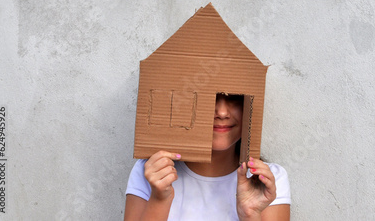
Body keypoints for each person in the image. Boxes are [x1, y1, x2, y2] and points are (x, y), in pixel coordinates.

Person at [124, 93, 291, 220]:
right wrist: (159, 199)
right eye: (208, 97)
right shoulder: (152, 171)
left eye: (234, 97)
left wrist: (251, 215)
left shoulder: (267, 180)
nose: (222, 112)